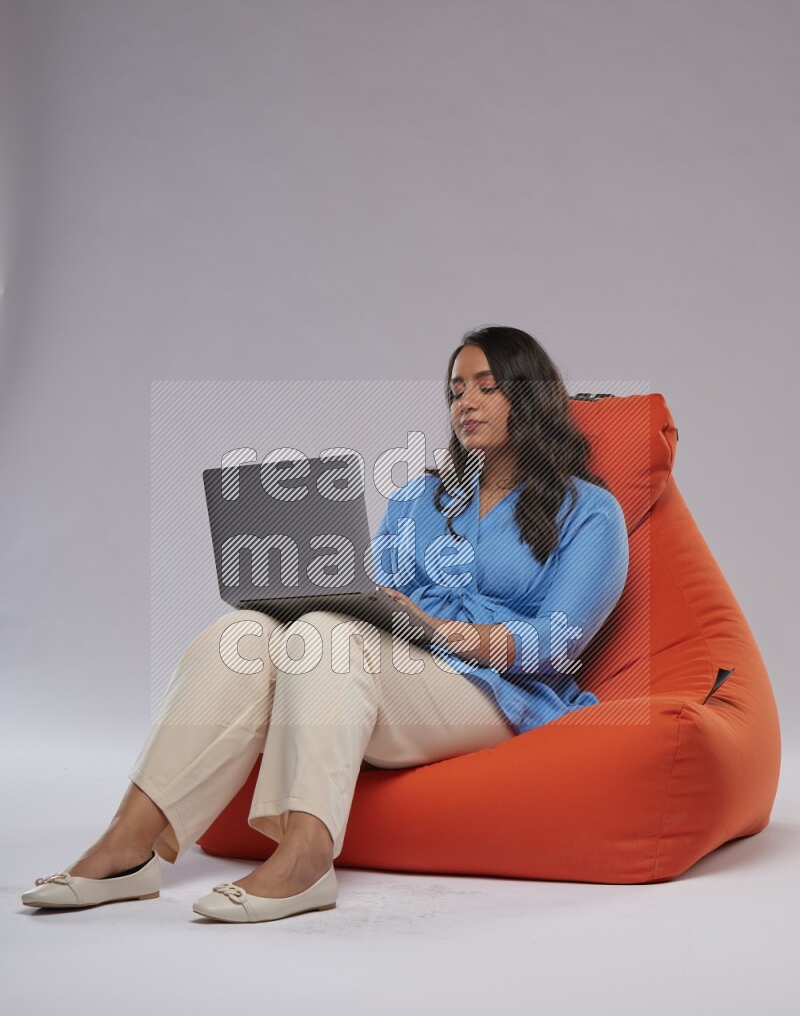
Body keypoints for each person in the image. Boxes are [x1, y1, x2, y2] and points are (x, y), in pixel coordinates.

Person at [21, 326, 629, 923]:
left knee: (326, 639)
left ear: (530, 395)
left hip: (497, 694)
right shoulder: (419, 497)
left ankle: (307, 858)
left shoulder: (589, 510)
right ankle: (128, 845)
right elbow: (383, 591)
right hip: (395, 664)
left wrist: (443, 632)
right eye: (454, 391)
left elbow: (559, 642)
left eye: (485, 386)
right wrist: (355, 599)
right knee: (245, 634)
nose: (464, 403)